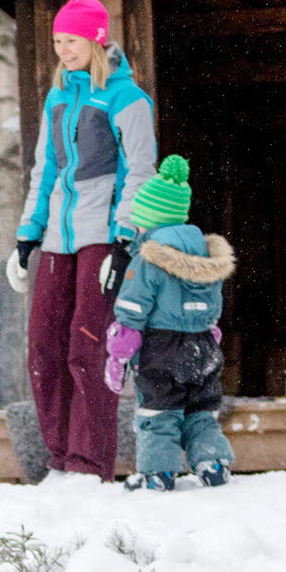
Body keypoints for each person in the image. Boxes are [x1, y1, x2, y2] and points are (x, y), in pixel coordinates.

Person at [5, 0, 156, 479]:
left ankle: (90, 466)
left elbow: (140, 173)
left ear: (95, 40)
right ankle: (60, 463)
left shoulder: (128, 99)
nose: (62, 50)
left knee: (86, 347)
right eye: (56, 41)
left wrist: (122, 241)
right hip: (56, 238)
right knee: (43, 349)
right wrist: (27, 236)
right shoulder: (58, 97)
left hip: (102, 237)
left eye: (69, 40)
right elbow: (45, 170)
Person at [106, 155, 236, 492]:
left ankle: (159, 473)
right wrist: (209, 333)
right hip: (203, 343)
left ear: (150, 219)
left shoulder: (148, 257)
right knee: (200, 408)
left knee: (158, 411)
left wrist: (119, 353)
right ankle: (212, 462)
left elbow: (132, 308)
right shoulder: (206, 256)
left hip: (161, 347)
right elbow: (213, 307)